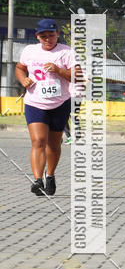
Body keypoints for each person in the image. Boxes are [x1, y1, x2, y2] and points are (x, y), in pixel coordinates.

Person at [15, 18, 77, 196]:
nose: (48, 39)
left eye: (51, 35)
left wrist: (59, 70)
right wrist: (23, 79)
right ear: (37, 37)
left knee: (53, 145)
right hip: (35, 103)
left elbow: (76, 77)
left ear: (58, 34)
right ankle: (37, 180)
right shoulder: (29, 51)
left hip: (60, 103)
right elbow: (20, 68)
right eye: (43, 36)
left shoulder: (67, 52)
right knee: (38, 141)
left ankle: (50, 175)